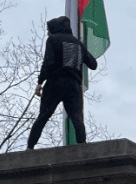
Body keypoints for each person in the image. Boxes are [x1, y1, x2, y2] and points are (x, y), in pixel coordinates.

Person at [26, 16, 98, 149]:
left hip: (55, 83)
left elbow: (48, 62)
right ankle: (82, 145)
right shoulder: (78, 44)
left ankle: (30, 147)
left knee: (44, 116)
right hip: (74, 86)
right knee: (77, 118)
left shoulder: (53, 40)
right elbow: (93, 64)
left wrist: (40, 82)